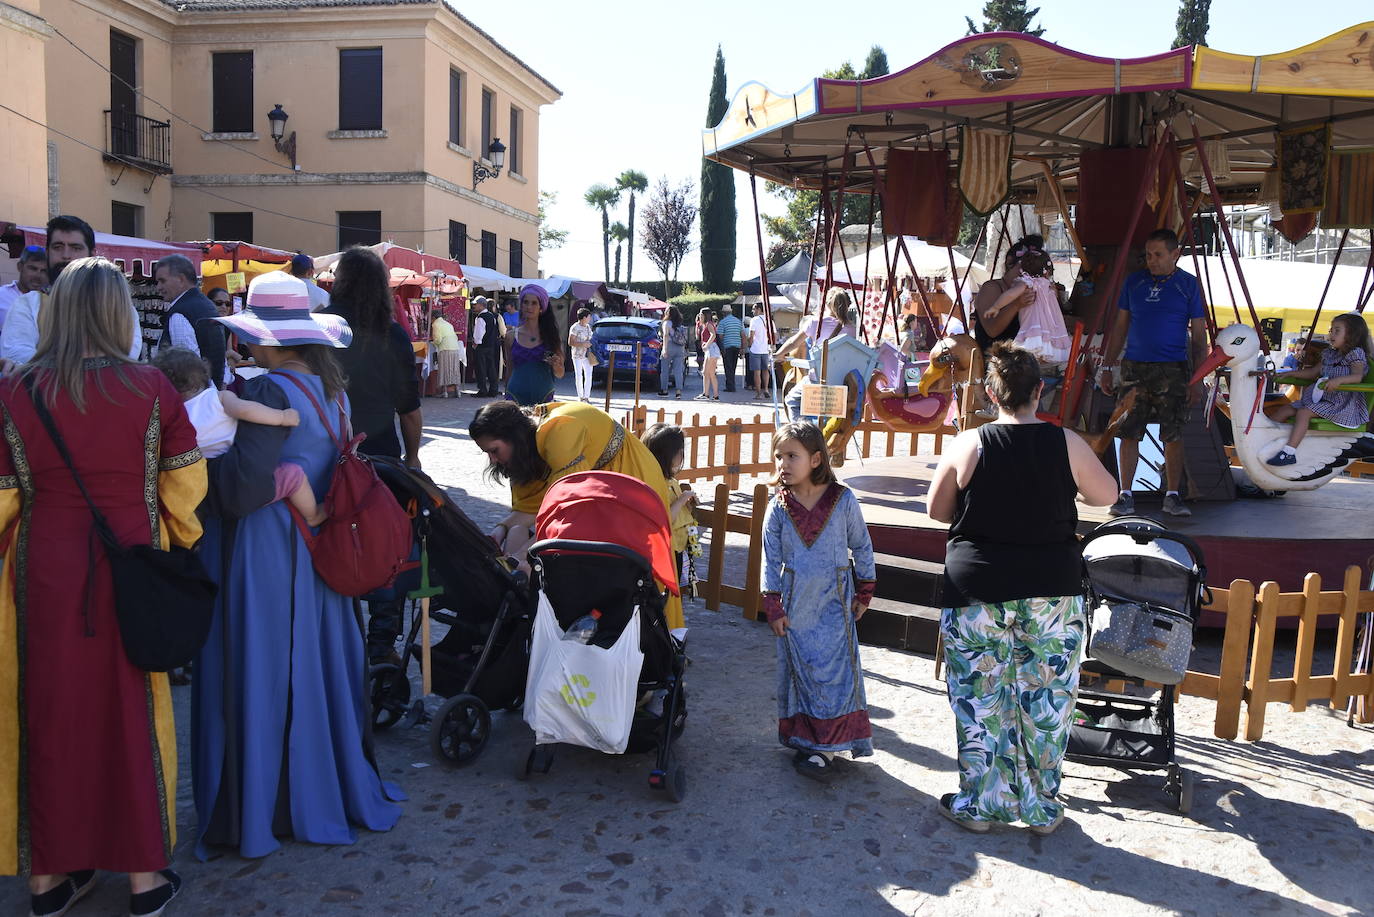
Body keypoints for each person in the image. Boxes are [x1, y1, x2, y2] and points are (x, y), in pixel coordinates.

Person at [0, 257, 206, 917]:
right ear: (120, 312)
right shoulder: (151, 386)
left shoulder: (15, 392)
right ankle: (145, 878)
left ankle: (49, 881)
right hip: (131, 568)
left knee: (48, 716)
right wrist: (168, 535)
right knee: (132, 714)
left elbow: (3, 499)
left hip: (43, 574)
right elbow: (185, 489)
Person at [194, 270, 404, 861]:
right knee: (312, 669)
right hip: (319, 552)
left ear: (265, 337)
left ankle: (264, 805)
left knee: (259, 671)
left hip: (264, 552)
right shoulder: (331, 395)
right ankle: (323, 783)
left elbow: (239, 490)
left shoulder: (268, 393)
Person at [928, 342, 1119, 835]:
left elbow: (937, 509)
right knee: (1047, 698)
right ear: (1039, 390)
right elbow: (1107, 495)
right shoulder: (1067, 442)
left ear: (991, 392)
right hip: (1050, 587)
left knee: (979, 697)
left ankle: (982, 803)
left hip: (977, 585)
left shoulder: (970, 443)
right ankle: (1040, 807)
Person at [469, 400, 684, 628]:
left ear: (512, 436)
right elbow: (533, 507)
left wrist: (523, 555)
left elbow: (567, 511)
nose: (492, 460)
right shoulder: (534, 441)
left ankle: (658, 634)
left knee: (641, 562)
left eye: (494, 450)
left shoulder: (559, 434)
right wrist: (499, 530)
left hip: (633, 479)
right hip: (602, 483)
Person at [321, 247, 423, 665]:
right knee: (385, 549)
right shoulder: (393, 335)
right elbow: (410, 410)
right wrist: (413, 460)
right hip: (379, 458)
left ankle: (334, 634)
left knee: (329, 543)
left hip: (325, 456)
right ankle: (381, 642)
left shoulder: (320, 328)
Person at [761, 422, 876, 783]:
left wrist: (865, 590)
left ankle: (828, 744)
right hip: (795, 604)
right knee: (801, 671)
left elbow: (862, 545)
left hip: (835, 603)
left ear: (815, 458)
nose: (784, 463)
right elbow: (769, 558)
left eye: (792, 455)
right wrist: (773, 603)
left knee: (834, 672)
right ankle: (807, 741)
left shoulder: (843, 500)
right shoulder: (778, 506)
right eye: (779, 456)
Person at [1098, 228, 1209, 518]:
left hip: (1173, 369)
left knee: (1172, 433)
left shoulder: (1189, 285)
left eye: (1158, 254)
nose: (1152, 260)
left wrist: (1197, 380)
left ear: (1176, 254)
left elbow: (1199, 338)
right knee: (1128, 431)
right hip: (1134, 367)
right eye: (1148, 254)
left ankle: (1172, 495)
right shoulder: (1133, 283)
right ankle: (1125, 495)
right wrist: (1107, 367)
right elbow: (1119, 328)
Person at [152, 346, 324, 525]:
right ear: (203, 376)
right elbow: (245, 410)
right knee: (293, 475)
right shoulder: (217, 398)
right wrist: (281, 417)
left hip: (202, 483)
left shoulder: (171, 418)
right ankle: (313, 516)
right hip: (239, 476)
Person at [2, 215, 143, 368]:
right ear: (47, 252)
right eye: (58, 247)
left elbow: (127, 354)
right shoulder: (29, 304)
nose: (66, 255)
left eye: (76, 248)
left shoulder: (116, 305)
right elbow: (15, 353)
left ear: (92, 254)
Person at [1268, 313, 1371, 466]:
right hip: (1323, 400)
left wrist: (1339, 380)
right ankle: (1266, 440)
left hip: (1341, 406)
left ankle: (1289, 453)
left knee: (1303, 413)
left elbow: (1357, 377)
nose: (1331, 334)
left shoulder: (1355, 354)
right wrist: (1291, 373)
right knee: (1285, 409)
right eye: (1331, 330)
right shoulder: (1329, 354)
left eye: (1337, 331)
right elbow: (1312, 373)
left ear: (1351, 335)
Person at [641, 422, 696, 635]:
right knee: (664, 596)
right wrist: (682, 499)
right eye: (680, 452)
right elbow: (664, 518)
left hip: (677, 546)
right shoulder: (657, 484)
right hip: (666, 550)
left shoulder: (669, 479)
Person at [774, 287, 856, 420]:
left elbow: (793, 342)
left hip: (818, 379)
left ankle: (804, 433)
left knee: (792, 401)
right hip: (841, 381)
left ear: (827, 304)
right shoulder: (851, 329)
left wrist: (779, 354)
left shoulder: (815, 323)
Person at [986, 248, 1071, 370]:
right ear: (1047, 272)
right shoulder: (1049, 286)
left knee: (1031, 350)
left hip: (1033, 324)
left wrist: (995, 307)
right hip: (1051, 328)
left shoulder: (1027, 283)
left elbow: (1010, 295)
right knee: (1045, 352)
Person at [155, 253, 229, 388]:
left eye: (162, 281)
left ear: (181, 279)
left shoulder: (181, 313)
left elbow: (185, 370)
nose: (158, 287)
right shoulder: (207, 305)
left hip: (194, 398)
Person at [970, 236, 1040, 353]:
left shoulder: (1030, 288)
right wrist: (1016, 305)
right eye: (1026, 266)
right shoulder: (992, 288)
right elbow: (992, 331)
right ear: (1009, 262)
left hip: (1023, 359)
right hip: (995, 362)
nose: (1029, 273)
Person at [502, 284, 565, 406]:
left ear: (541, 308)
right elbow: (509, 369)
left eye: (534, 303)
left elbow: (560, 374)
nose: (529, 307)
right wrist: (505, 399)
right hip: (514, 395)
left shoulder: (551, 337)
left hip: (544, 397)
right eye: (525, 302)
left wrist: (556, 365)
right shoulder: (510, 336)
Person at [0, 245, 47, 337]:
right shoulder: (2, 296)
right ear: (20, 267)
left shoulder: (51, 301)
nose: (38, 275)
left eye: (44, 271)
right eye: (33, 269)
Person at [469, 295, 502, 397]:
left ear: (481, 305)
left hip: (482, 346)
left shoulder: (480, 318)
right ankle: (493, 389)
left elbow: (479, 334)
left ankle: (482, 390)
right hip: (491, 346)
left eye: (476, 304)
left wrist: (475, 343)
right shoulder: (492, 316)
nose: (474, 306)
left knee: (481, 369)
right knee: (491, 368)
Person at [430, 307, 463, 398]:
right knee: (454, 370)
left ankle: (445, 392)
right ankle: (458, 391)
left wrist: (433, 342)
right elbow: (455, 337)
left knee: (444, 369)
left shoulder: (436, 324)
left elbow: (438, 339)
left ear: (433, 318)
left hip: (445, 348)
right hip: (455, 348)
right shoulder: (448, 324)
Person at [658, 306, 689, 398]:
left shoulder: (666, 323)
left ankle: (664, 390)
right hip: (680, 348)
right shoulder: (679, 323)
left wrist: (664, 349)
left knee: (665, 369)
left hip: (670, 346)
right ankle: (678, 391)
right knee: (678, 370)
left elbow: (666, 336)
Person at [746, 302, 773, 399]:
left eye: (754, 309)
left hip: (755, 349)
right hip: (766, 349)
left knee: (757, 372)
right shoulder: (770, 320)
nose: (752, 311)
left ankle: (758, 393)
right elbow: (775, 335)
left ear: (758, 309)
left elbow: (751, 335)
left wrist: (749, 345)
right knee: (766, 370)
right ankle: (766, 389)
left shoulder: (754, 320)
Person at [568, 307, 594, 402]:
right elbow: (570, 342)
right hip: (577, 355)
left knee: (589, 375)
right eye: (588, 316)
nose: (589, 318)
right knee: (579, 375)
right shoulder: (575, 327)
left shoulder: (588, 327)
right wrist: (582, 344)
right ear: (584, 317)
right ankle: (581, 397)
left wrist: (591, 343)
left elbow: (591, 337)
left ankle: (586, 396)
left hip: (587, 354)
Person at [716, 304, 744, 392]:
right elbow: (743, 335)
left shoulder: (722, 322)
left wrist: (720, 348)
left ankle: (731, 387)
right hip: (737, 346)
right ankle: (731, 385)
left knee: (728, 367)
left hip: (727, 347)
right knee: (733, 366)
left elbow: (720, 336)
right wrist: (742, 348)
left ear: (723, 313)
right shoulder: (738, 321)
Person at [697, 310, 720, 401]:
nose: (700, 317)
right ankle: (715, 395)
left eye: (701, 315)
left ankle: (706, 394)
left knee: (706, 373)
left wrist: (706, 345)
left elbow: (713, 335)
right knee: (710, 373)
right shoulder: (708, 324)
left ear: (704, 315)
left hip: (711, 349)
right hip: (713, 349)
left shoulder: (708, 324)